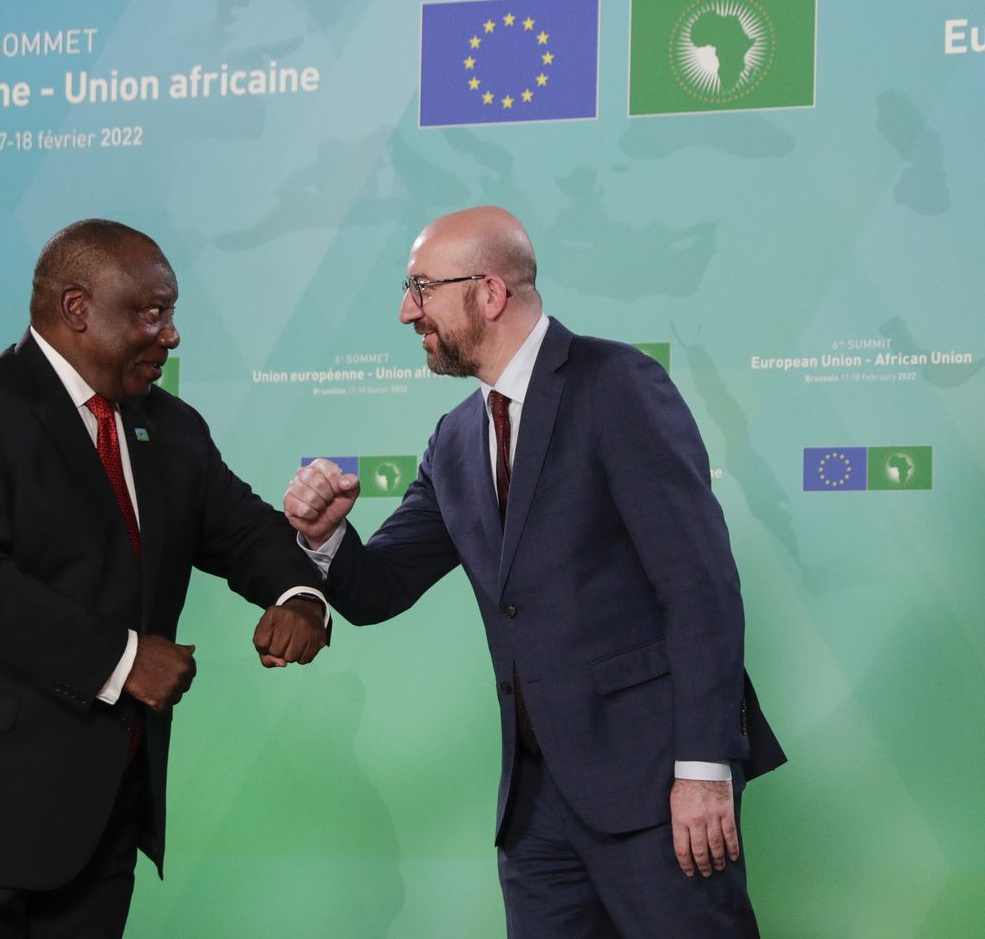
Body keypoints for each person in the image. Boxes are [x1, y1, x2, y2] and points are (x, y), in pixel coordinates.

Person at [284, 206, 785, 937]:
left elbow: (699, 584)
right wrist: (326, 539)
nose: (404, 311)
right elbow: (378, 587)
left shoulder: (617, 383)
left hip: (657, 788)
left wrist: (704, 768)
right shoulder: (455, 439)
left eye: (421, 288)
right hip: (535, 811)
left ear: (489, 292)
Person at [0, 219, 330, 938]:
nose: (170, 335)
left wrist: (301, 595)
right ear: (77, 309)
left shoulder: (171, 427)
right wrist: (128, 658)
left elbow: (244, 529)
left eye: (170, 314)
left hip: (99, 823)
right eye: (150, 312)